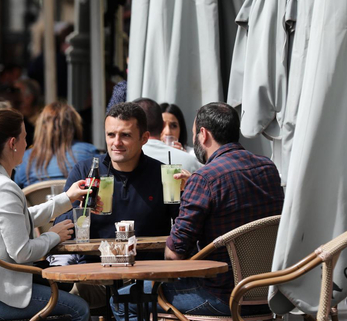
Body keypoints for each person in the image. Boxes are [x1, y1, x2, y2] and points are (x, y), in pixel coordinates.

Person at [111, 102, 284, 321]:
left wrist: (197, 188)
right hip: (269, 296)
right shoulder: (268, 168)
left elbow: (174, 255)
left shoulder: (206, 179)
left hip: (221, 297)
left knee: (122, 300)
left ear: (203, 134)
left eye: (194, 134)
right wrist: (198, 186)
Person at [0, 108, 92, 321]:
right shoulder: (1, 187)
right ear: (13, 143)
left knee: (63, 285)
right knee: (79, 308)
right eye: (25, 138)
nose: (27, 145)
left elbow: (18, 219)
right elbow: (22, 252)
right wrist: (53, 235)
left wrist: (67, 198)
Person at [51, 102, 179, 309]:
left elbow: (186, 225)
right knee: (65, 306)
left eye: (125, 135)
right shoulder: (87, 171)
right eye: (111, 135)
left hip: (148, 278)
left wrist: (191, 191)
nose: (116, 142)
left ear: (144, 138)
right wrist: (80, 211)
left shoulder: (163, 174)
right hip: (95, 277)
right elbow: (61, 227)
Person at [14, 102, 98, 188]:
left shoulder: (25, 158)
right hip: (75, 201)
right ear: (74, 125)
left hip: (38, 202)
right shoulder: (89, 152)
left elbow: (17, 190)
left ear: (41, 127)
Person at [132, 98, 202, 172]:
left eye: (173, 126)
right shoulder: (134, 153)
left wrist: (182, 155)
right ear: (161, 125)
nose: (168, 132)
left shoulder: (192, 156)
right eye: (164, 126)